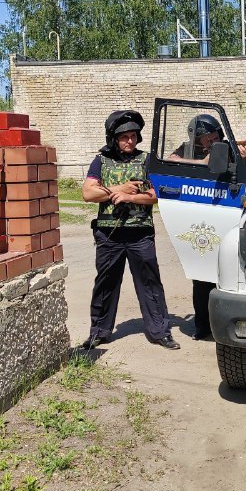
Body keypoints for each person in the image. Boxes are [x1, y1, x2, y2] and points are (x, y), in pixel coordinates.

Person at [81, 110, 180, 350]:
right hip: (109, 235)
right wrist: (118, 189)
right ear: (114, 138)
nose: (130, 141)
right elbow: (88, 193)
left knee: (150, 284)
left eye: (133, 136)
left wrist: (130, 197)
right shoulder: (101, 161)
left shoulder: (147, 160)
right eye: (124, 137)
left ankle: (160, 332)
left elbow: (157, 194)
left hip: (140, 234)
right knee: (105, 284)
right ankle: (99, 332)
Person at [169, 113, 246, 340]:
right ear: (196, 139)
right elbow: (170, 161)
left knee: (230, 272)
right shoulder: (188, 150)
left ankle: (232, 325)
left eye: (214, 136)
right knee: (201, 276)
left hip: (226, 213)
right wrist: (203, 162)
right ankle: (202, 325)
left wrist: (242, 158)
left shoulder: (227, 148)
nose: (211, 140)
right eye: (206, 138)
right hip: (200, 215)